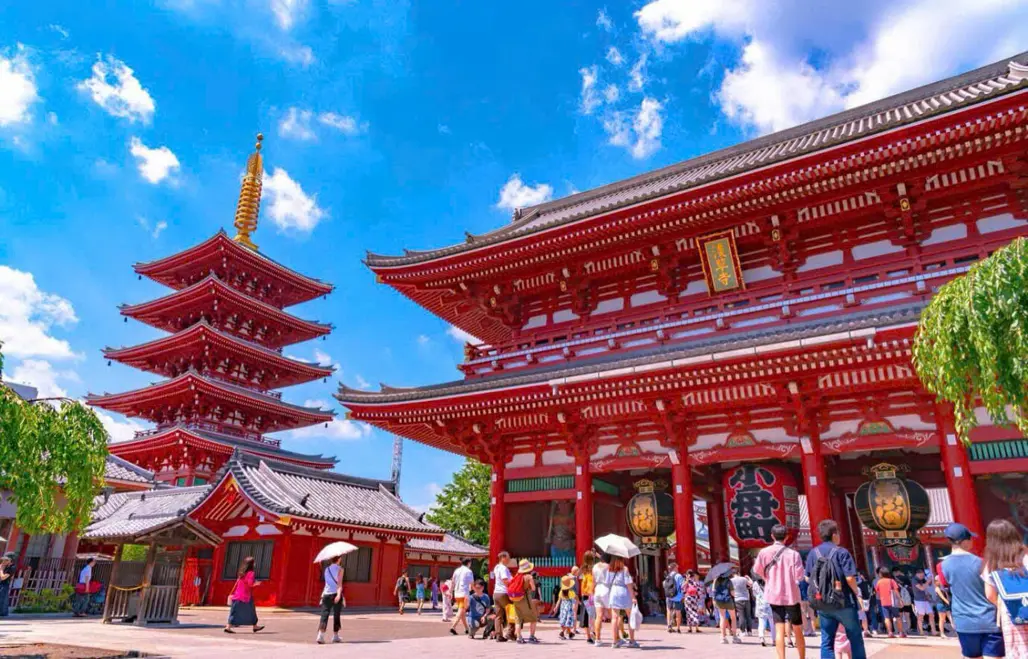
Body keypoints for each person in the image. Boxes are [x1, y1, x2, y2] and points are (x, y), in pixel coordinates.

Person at [937, 522, 1002, 659]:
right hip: (989, 620)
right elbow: (992, 593)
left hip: (964, 622)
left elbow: (946, 587)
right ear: (965, 542)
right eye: (970, 538)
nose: (972, 541)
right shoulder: (983, 562)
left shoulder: (942, 566)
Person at [804, 519, 866, 659]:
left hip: (824, 604)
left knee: (827, 641)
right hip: (844, 602)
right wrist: (857, 593)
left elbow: (808, 578)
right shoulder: (842, 552)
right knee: (855, 639)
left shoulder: (814, 553)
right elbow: (850, 578)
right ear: (834, 534)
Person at [754, 524, 807, 659]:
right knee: (797, 629)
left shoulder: (764, 552)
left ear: (772, 536)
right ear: (787, 537)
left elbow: (757, 571)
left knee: (779, 629)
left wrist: (768, 578)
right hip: (791, 595)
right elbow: (800, 576)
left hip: (774, 595)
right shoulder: (794, 555)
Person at [983, 518, 1028, 659]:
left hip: (1010, 613)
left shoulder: (991, 564)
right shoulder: (1026, 556)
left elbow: (990, 595)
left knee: (1017, 649)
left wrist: (1009, 603)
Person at [224, 557, 264, 634]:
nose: (255, 564)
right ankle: (255, 626)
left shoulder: (241, 572)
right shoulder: (251, 573)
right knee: (251, 611)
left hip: (238, 595)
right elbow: (250, 583)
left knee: (234, 611)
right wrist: (256, 583)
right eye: (254, 562)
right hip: (246, 596)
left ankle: (228, 627)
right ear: (251, 564)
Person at [606, 555, 639, 649]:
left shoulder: (610, 569)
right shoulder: (625, 569)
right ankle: (632, 640)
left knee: (614, 618)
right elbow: (628, 584)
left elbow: (608, 582)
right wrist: (633, 597)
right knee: (630, 616)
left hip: (613, 592)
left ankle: (615, 641)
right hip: (623, 592)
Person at [509, 559, 539, 644]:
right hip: (525, 599)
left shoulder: (517, 576)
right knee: (533, 618)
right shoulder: (529, 577)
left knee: (518, 619)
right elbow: (533, 588)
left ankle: (519, 637)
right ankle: (531, 636)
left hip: (516, 600)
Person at [316, 556, 343, 644]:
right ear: (338, 559)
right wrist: (339, 595)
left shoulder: (326, 569)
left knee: (324, 614)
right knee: (336, 615)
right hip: (335, 594)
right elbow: (339, 584)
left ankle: (320, 635)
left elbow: (326, 584)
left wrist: (322, 596)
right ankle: (335, 636)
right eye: (340, 558)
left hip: (326, 594)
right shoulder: (340, 569)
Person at [874, 566, 904, 638]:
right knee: (897, 617)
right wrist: (900, 599)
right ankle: (901, 633)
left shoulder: (879, 582)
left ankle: (890, 632)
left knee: (887, 618)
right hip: (893, 602)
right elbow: (896, 591)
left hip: (884, 602)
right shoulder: (891, 581)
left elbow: (877, 592)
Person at [491, 551, 513, 643]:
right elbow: (505, 580)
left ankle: (499, 635)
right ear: (503, 557)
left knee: (498, 615)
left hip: (496, 593)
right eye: (508, 557)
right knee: (511, 612)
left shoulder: (496, 567)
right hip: (504, 593)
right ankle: (510, 633)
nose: (509, 559)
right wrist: (512, 589)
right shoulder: (504, 568)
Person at [449, 558, 474, 635]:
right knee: (461, 610)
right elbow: (472, 583)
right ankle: (453, 626)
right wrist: (473, 590)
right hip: (464, 593)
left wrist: (450, 592)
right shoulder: (469, 571)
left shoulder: (456, 570)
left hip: (457, 593)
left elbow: (452, 582)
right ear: (468, 563)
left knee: (462, 612)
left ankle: (467, 628)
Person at [713, 572, 740, 644]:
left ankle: (723, 638)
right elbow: (732, 593)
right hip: (728, 600)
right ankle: (734, 637)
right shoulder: (729, 581)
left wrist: (714, 600)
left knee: (722, 617)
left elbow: (713, 591)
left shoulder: (716, 580)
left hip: (719, 601)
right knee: (733, 618)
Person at [592, 552, 611, 646]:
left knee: (598, 616)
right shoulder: (609, 567)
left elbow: (593, 581)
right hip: (607, 589)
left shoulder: (595, 566)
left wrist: (592, 591)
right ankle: (618, 637)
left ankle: (597, 639)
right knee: (614, 615)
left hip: (597, 589)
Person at [730, 568, 754, 636]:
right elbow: (751, 584)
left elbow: (731, 592)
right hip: (746, 599)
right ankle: (749, 631)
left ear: (732, 574)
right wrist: (748, 577)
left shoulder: (731, 581)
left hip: (737, 599)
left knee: (741, 615)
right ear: (738, 572)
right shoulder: (744, 579)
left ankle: (743, 631)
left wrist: (735, 596)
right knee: (748, 615)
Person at [579, 551, 596, 643]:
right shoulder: (595, 568)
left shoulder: (583, 569)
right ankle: (594, 632)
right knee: (593, 614)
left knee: (586, 615)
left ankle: (588, 636)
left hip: (585, 594)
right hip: (593, 593)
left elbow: (579, 577)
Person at [664, 560, 685, 633]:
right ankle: (678, 628)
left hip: (669, 596)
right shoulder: (679, 576)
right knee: (678, 612)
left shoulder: (668, 575)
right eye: (677, 567)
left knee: (669, 610)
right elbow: (682, 586)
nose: (678, 568)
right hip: (677, 596)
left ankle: (669, 626)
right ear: (675, 568)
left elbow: (664, 585)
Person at [934, 572, 955, 639]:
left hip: (945, 604)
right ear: (937, 581)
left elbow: (946, 595)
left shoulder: (943, 587)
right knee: (942, 619)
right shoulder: (937, 588)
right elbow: (942, 597)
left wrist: (948, 601)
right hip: (941, 604)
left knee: (951, 618)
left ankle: (956, 631)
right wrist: (948, 602)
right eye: (939, 579)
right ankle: (942, 633)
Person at [754, 577, 773, 646]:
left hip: (760, 604)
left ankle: (761, 637)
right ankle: (774, 640)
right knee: (772, 624)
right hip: (769, 604)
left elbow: (754, 594)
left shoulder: (755, 583)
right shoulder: (770, 581)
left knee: (761, 622)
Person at [557, 575, 578, 639]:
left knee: (564, 620)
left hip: (563, 607)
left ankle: (570, 634)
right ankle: (562, 633)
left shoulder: (561, 592)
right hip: (569, 608)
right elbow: (575, 599)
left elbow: (559, 600)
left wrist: (556, 607)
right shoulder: (571, 592)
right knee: (567, 621)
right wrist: (577, 604)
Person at [0, 553, 13, 618]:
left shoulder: (11, 568)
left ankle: (2, 613)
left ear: (10, 560)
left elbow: (3, 577)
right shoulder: (5, 566)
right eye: (4, 560)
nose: (4, 561)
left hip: (4, 584)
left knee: (2, 598)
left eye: (6, 560)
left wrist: (1, 570)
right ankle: (3, 613)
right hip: (1, 583)